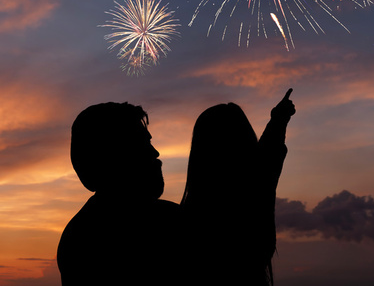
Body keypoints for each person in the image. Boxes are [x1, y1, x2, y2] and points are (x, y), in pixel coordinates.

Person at [57, 102, 184, 286]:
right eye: (141, 144)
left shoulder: (77, 238)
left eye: (149, 142)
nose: (155, 153)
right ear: (115, 157)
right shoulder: (169, 223)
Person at [181, 88, 295, 285]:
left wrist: (278, 120)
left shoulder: (182, 221)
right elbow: (268, 159)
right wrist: (278, 119)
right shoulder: (255, 193)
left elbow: (268, 158)